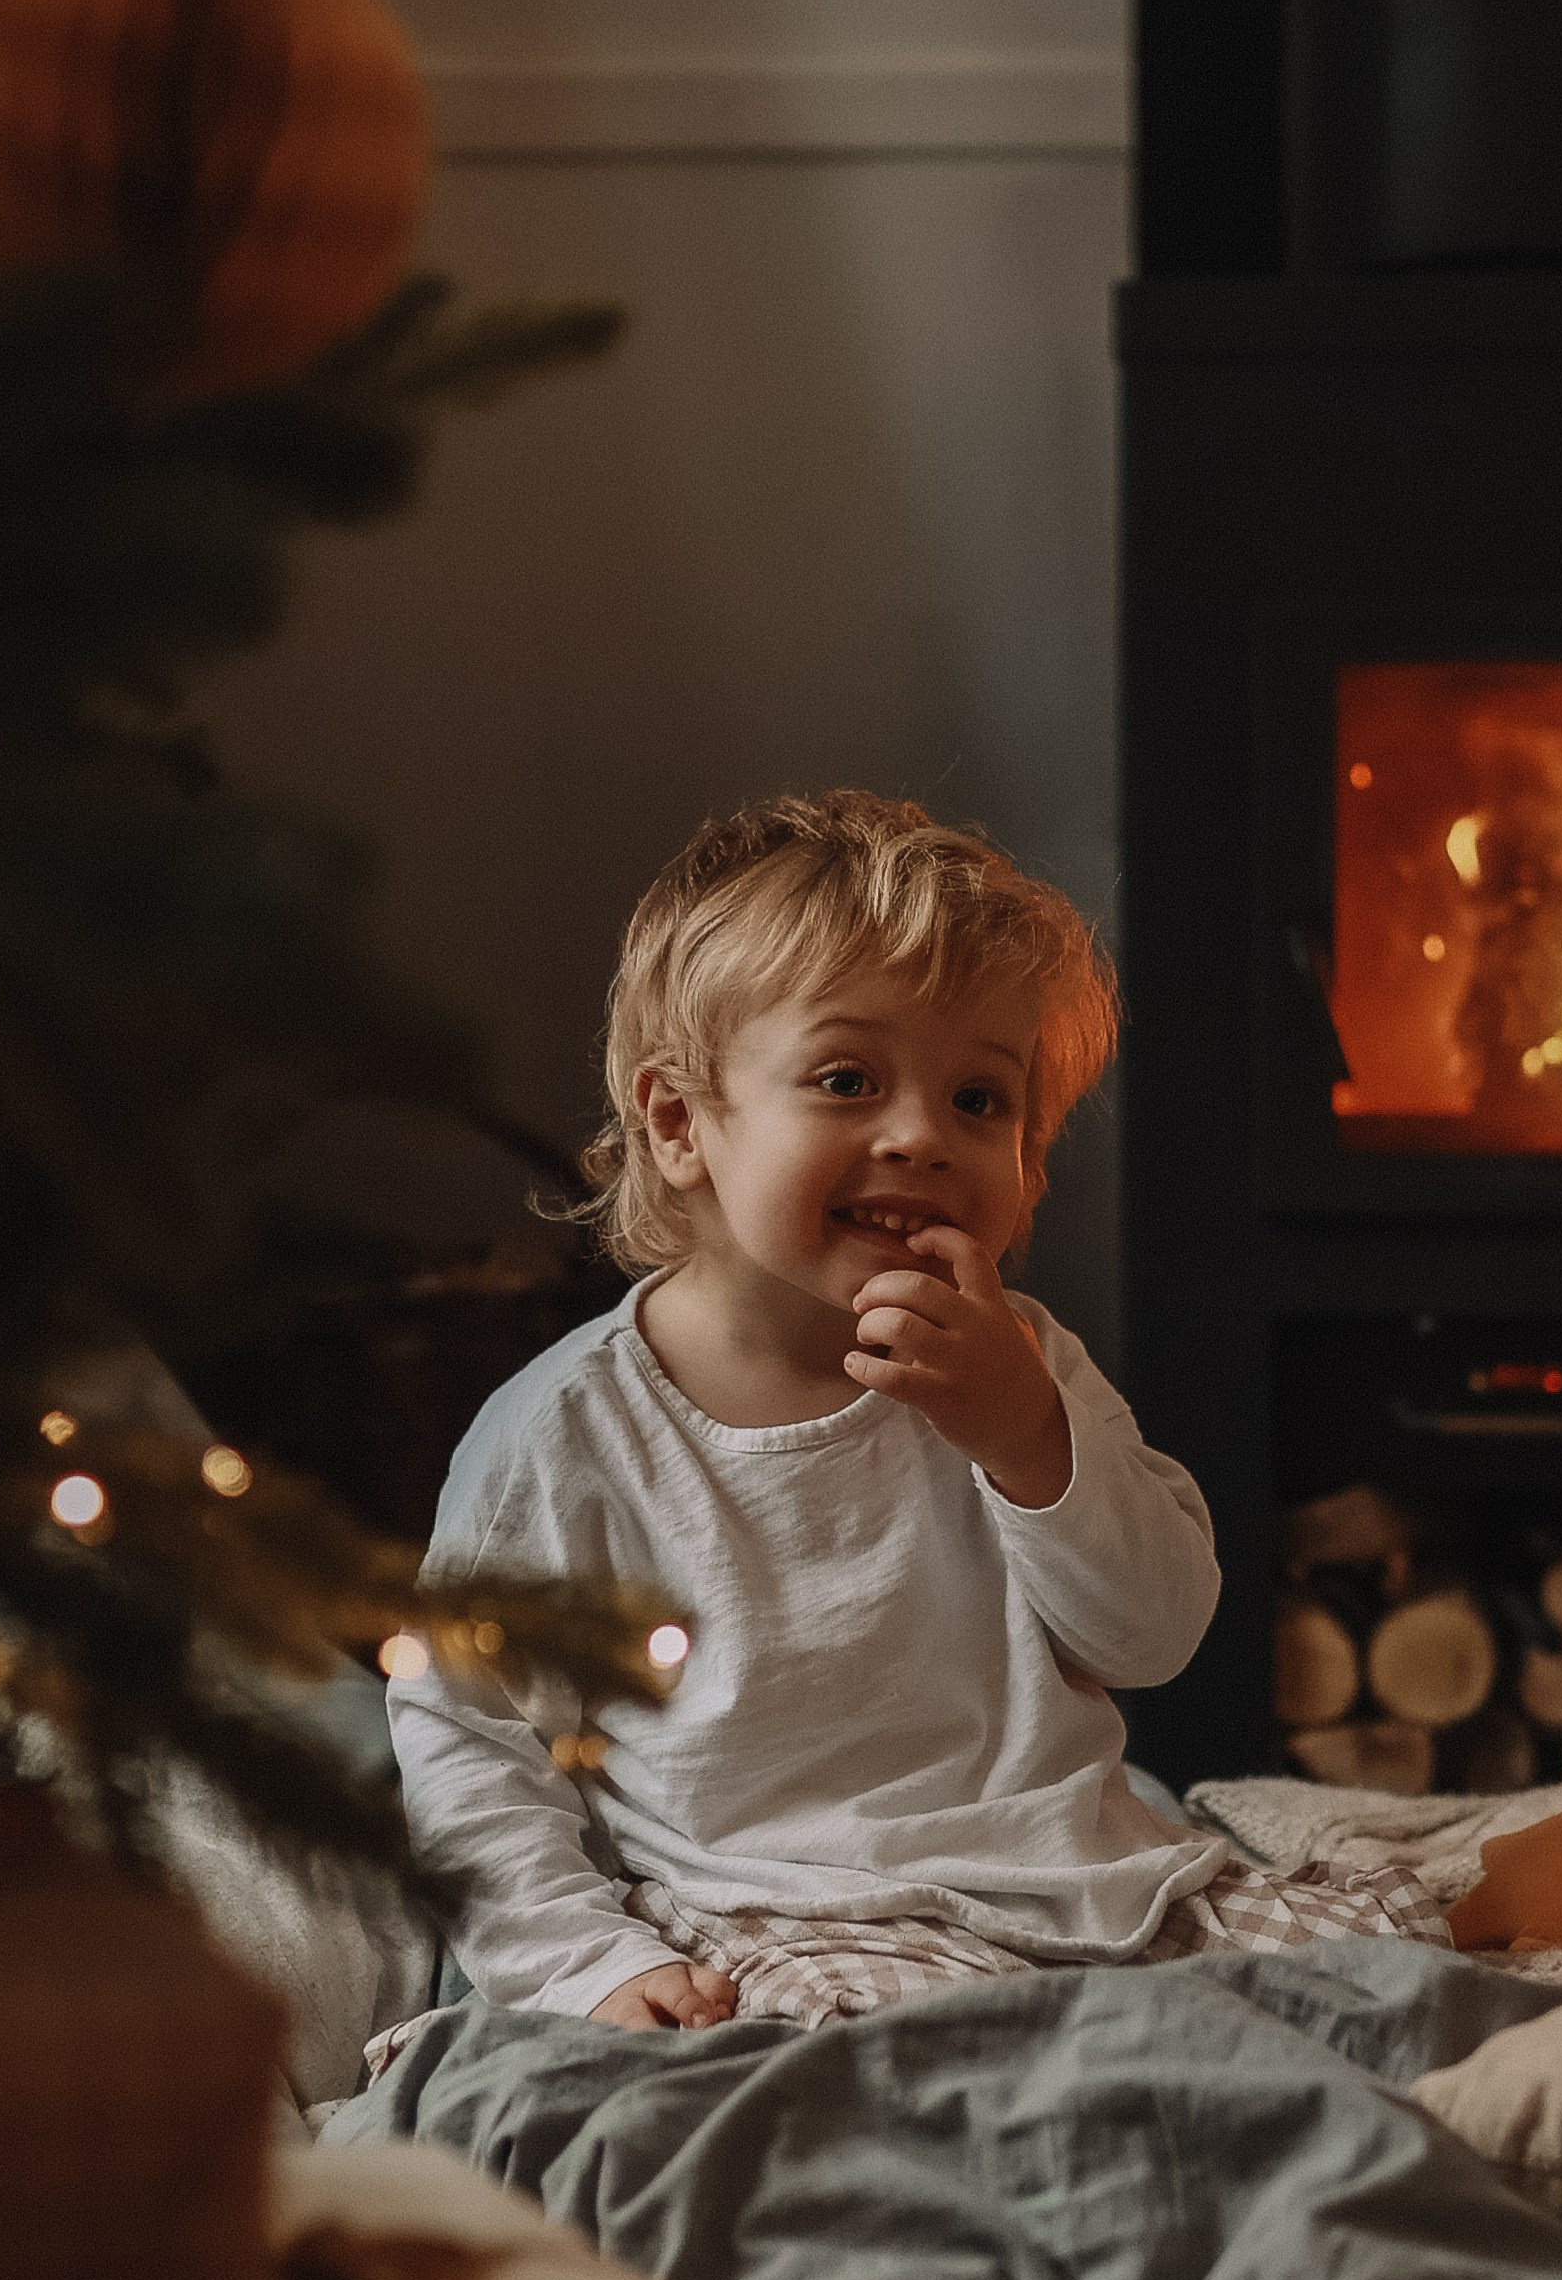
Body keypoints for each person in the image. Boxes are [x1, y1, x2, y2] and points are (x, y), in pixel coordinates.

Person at [388, 790, 1434, 2031]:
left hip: (1091, 1889)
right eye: (846, 1078)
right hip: (796, 1913)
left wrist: (1027, 1442)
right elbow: (472, 1753)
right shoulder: (568, 1437)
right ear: (679, 1124)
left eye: (981, 1102)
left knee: (1395, 1985)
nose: (920, 1137)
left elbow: (1153, 1636)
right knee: (917, 2079)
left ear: (1031, 1162)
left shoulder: (1022, 1365)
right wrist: (587, 1963)